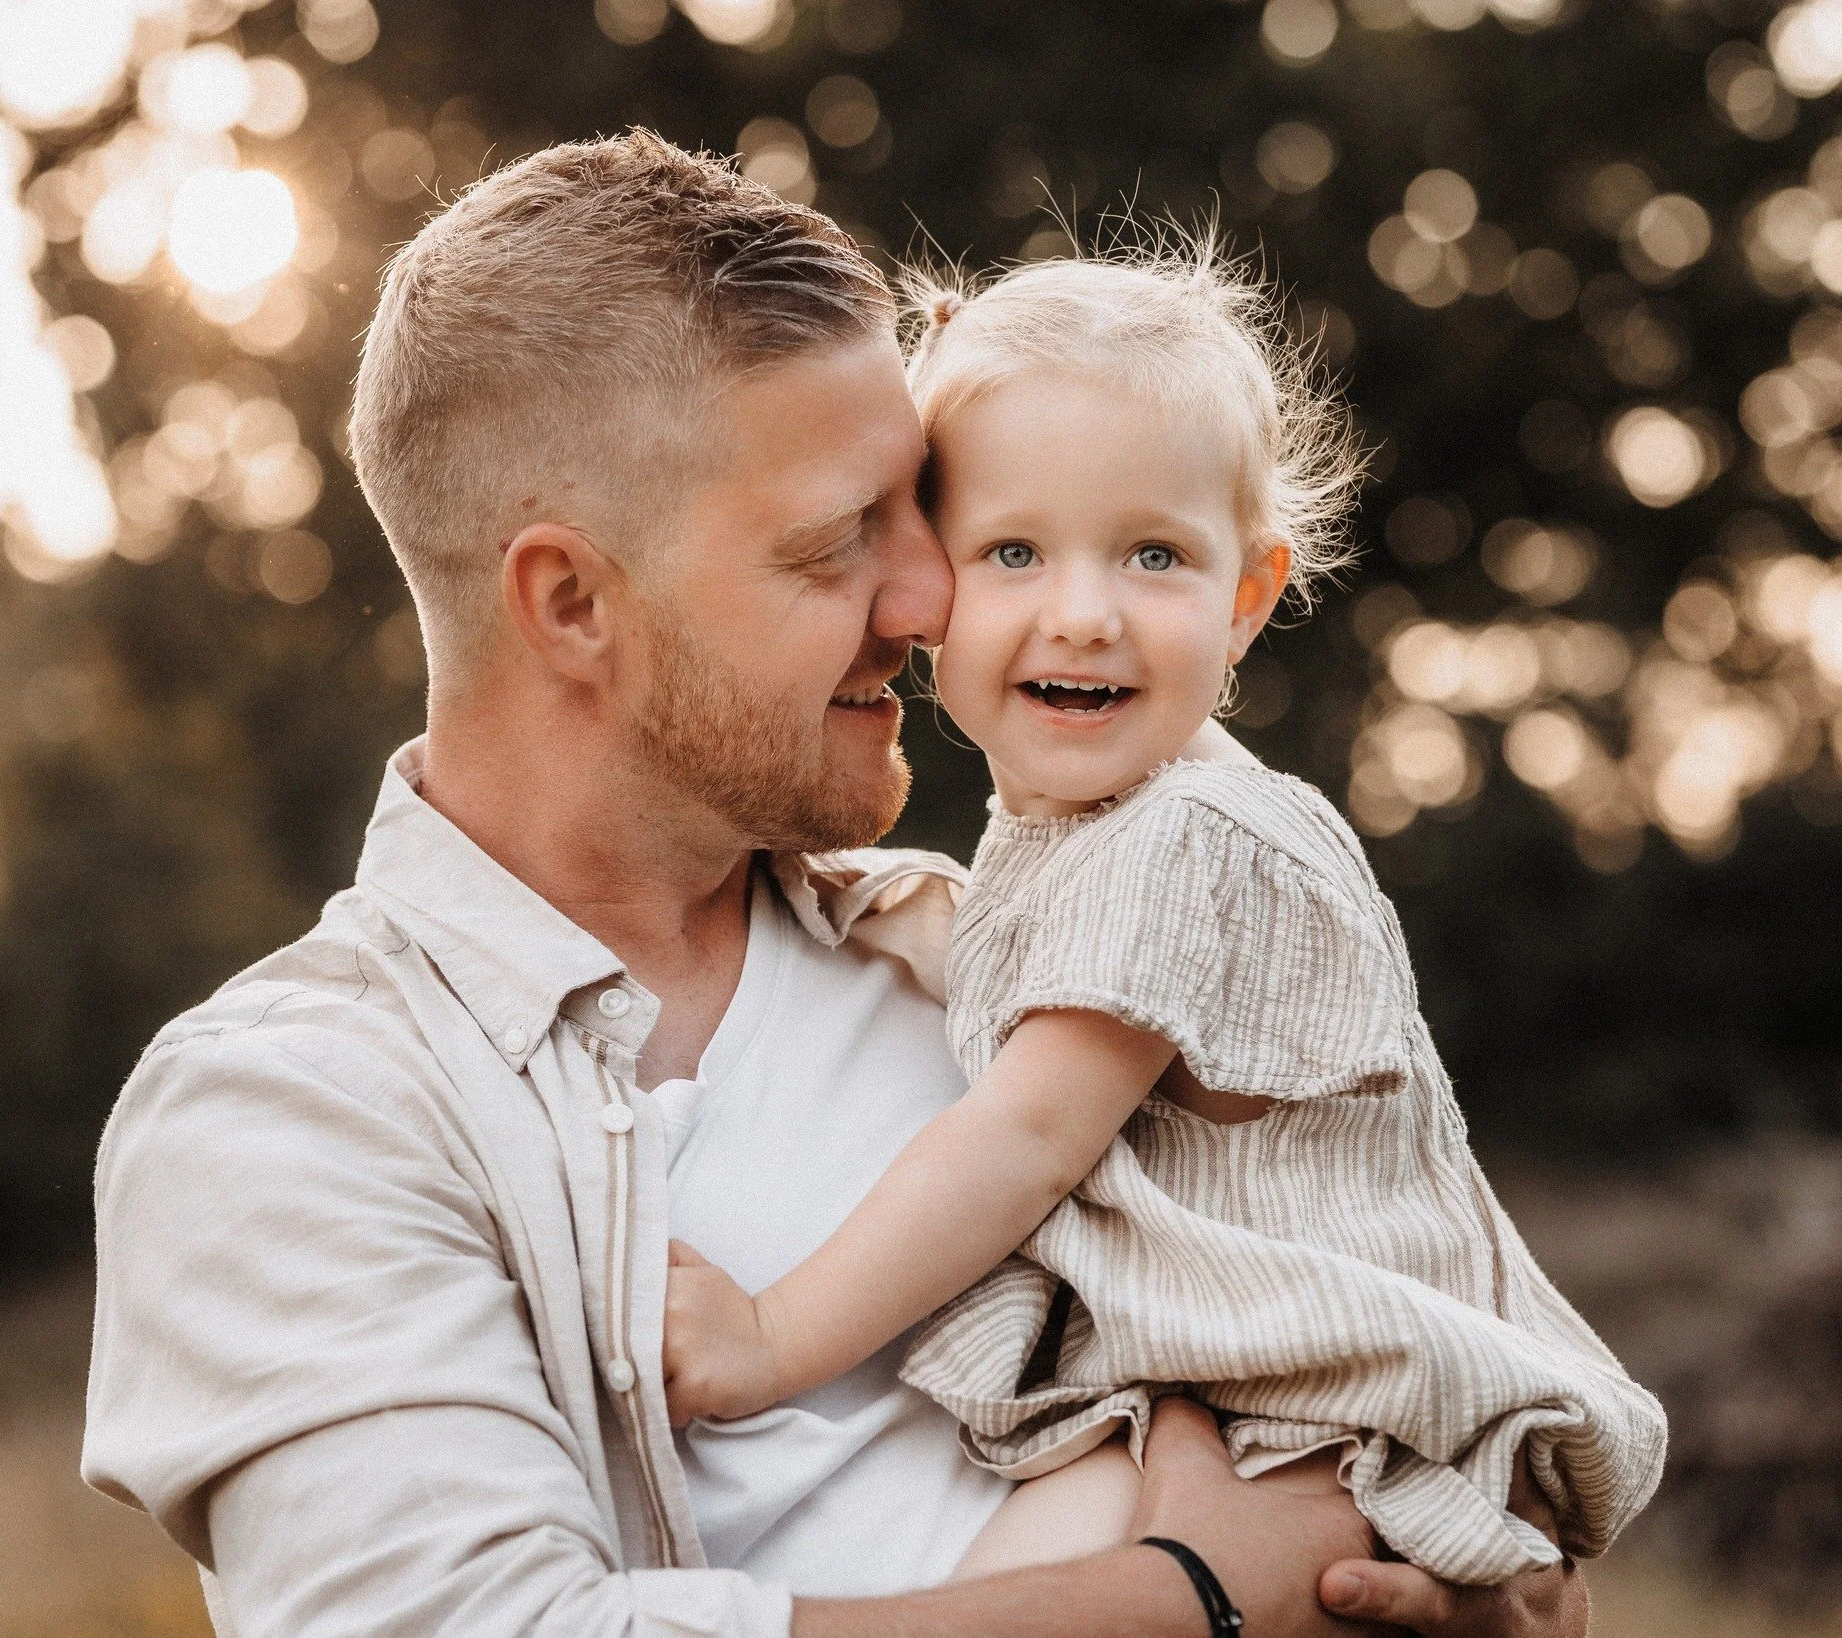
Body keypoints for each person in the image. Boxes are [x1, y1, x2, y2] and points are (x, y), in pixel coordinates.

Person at [82, 131, 1590, 1637]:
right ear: (570, 600)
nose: (931, 598)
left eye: (920, 509)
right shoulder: (287, 1112)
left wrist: (1490, 1591)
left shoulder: (982, 949)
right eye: (834, 546)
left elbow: (1441, 1352)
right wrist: (1188, 1600)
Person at [658, 246, 1668, 1593]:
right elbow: (1022, 959)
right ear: (926, 585)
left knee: (987, 1607)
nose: (1084, 615)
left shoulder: (1183, 841)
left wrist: (769, 1339)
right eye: (1013, 550)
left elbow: (1020, 1133)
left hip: (1322, 1418)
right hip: (1249, 1399)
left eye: (1154, 554)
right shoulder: (1117, 829)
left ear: (1245, 598)